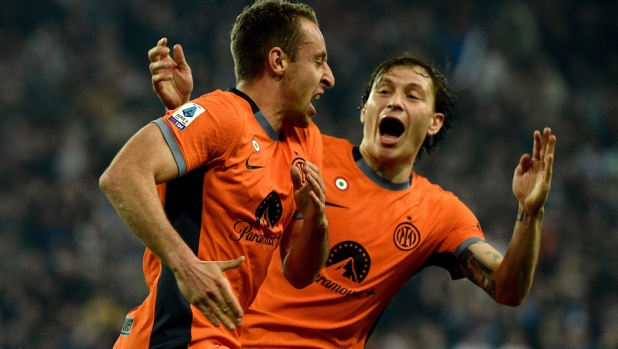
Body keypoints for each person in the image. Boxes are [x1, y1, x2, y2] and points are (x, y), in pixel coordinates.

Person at [150, 43, 556, 347]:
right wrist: (182, 109)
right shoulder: (306, 148)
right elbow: (221, 178)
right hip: (235, 341)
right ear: (365, 111)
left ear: (433, 123)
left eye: (412, 95)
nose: (395, 101)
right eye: (384, 91)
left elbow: (507, 288)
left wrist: (529, 212)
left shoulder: (440, 213)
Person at [99, 1, 336, 348]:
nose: (329, 77)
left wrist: (318, 219)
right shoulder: (222, 116)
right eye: (318, 61)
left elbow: (299, 273)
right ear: (278, 62)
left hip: (222, 337)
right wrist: (187, 266)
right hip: (175, 333)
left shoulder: (305, 141)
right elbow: (121, 175)